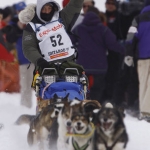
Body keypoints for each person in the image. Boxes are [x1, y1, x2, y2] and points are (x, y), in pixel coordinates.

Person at [71, 6, 125, 104]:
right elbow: (113, 44)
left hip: (83, 66)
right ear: (97, 17)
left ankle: (81, 107)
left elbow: (69, 42)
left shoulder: (79, 29)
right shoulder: (103, 30)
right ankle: (95, 106)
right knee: (97, 89)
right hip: (99, 67)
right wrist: (126, 49)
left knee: (81, 89)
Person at [4, 1, 34, 108]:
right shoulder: (13, 24)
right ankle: (25, 106)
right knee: (25, 85)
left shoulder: (32, 22)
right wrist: (18, 28)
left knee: (38, 85)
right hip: (23, 60)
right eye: (20, 10)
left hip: (35, 59)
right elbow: (9, 38)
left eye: (23, 10)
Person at [125, 0, 150, 122]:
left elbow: (130, 37)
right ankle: (147, 112)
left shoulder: (138, 19)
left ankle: (144, 112)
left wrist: (129, 54)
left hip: (142, 57)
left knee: (143, 84)